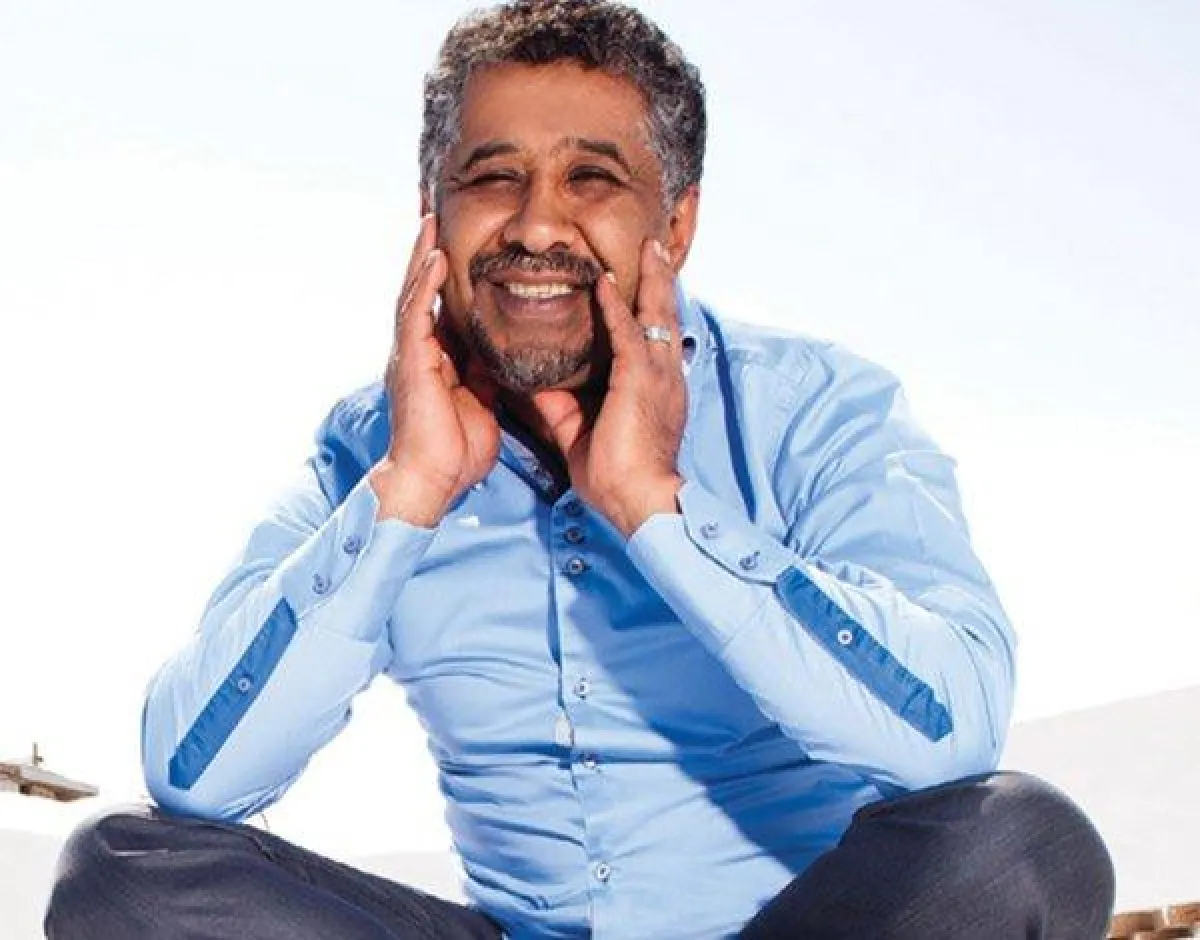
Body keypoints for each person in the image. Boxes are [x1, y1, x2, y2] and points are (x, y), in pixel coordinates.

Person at [45, 2, 1115, 938]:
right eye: (492, 177)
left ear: (676, 224)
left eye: (592, 178)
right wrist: (406, 496)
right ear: (432, 215)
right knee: (122, 871)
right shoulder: (370, 450)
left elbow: (949, 734)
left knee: (1022, 842)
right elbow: (194, 774)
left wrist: (658, 509)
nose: (537, 225)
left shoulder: (816, 409)